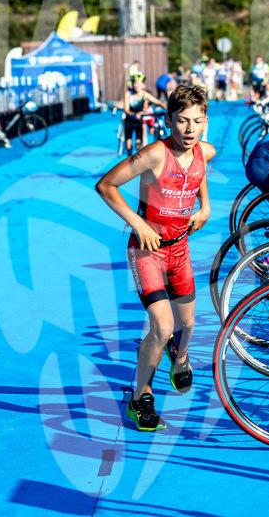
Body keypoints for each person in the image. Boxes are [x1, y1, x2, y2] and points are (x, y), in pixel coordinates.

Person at [95, 85, 216, 432]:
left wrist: (205, 207)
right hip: (147, 250)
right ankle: (141, 398)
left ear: (205, 122)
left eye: (196, 121)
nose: (189, 129)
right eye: (181, 121)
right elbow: (106, 186)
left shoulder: (205, 151)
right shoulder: (154, 154)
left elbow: (199, 171)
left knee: (187, 325)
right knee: (161, 326)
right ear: (168, 120)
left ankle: (179, 355)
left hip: (180, 249)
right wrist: (138, 224)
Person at [123, 73, 166, 156]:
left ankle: (137, 160)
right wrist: (135, 114)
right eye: (134, 83)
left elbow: (156, 101)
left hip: (138, 121)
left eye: (138, 83)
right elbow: (126, 110)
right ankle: (129, 158)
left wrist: (165, 106)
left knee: (138, 144)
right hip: (129, 121)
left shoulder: (144, 94)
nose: (136, 85)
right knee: (129, 144)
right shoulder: (128, 94)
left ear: (142, 85)